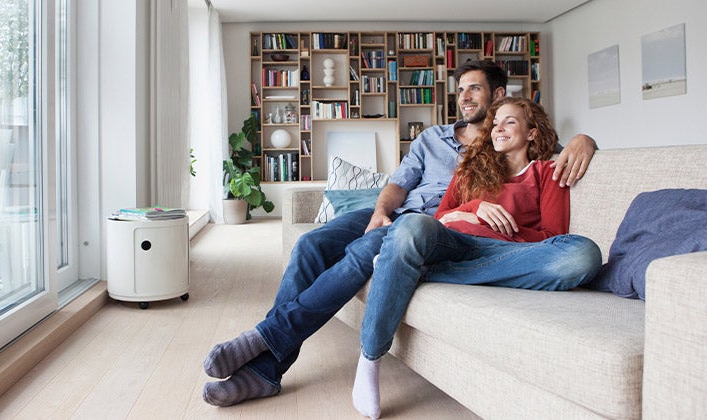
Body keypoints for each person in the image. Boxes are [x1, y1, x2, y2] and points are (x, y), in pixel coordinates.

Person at [201, 61, 597, 407]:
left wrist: (585, 138)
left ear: (497, 94)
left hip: (434, 233)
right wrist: (378, 211)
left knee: (366, 252)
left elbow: (550, 151)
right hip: (399, 214)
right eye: (460, 90)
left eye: (474, 88)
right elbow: (398, 184)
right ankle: (268, 364)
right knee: (310, 244)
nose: (464, 97)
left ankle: (264, 361)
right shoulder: (433, 139)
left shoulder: (508, 140)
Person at [351, 97, 602, 419]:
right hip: (456, 242)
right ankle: (370, 360)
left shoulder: (546, 172)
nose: (498, 128)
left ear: (532, 133)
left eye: (510, 122)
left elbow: (552, 237)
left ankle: (411, 268)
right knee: (411, 224)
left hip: (509, 253)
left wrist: (508, 232)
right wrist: (474, 209)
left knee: (582, 253)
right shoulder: (469, 169)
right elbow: (440, 218)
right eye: (496, 122)